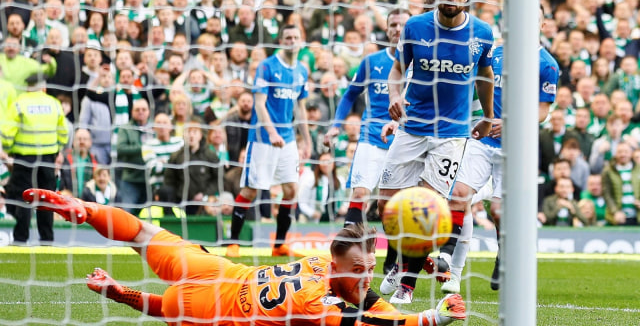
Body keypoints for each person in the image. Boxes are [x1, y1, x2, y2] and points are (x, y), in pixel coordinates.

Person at [23, 188, 466, 326]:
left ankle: (84, 210)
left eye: (370, 269)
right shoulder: (316, 306)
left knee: (143, 233)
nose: (367, 278)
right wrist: (432, 318)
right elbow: (372, 321)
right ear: (335, 267)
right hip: (211, 309)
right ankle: (84, 211)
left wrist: (122, 295)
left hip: (218, 273)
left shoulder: (320, 269)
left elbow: (368, 300)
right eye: (361, 270)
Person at [378, 0, 495, 304]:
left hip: (451, 134)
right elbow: (398, 69)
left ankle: (406, 284)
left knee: (426, 207)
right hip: (412, 127)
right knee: (386, 205)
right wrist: (394, 97)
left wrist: (487, 116)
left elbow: (485, 75)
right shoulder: (415, 27)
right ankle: (402, 263)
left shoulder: (482, 33)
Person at [439, 6, 559, 294]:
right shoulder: (496, 53)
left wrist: (511, 122)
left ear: (542, 24)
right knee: (458, 194)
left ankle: (504, 254)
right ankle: (445, 259)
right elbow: (477, 87)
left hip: (516, 148)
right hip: (483, 140)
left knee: (500, 211)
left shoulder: (547, 64)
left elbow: (542, 112)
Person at [225, 25, 312, 258]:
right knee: (251, 190)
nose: (292, 41)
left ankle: (279, 244)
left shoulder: (301, 71)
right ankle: (233, 243)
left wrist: (307, 139)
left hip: (288, 139)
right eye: (288, 37)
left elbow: (301, 108)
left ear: (301, 42)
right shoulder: (267, 66)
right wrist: (271, 132)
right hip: (263, 138)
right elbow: (259, 103)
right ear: (281, 41)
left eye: (296, 37)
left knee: (291, 189)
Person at [322, 8, 411, 229]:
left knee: (395, 204)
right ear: (386, 28)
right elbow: (350, 94)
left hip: (406, 141)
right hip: (372, 137)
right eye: (393, 25)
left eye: (402, 25)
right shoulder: (372, 62)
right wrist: (336, 126)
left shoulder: (421, 64)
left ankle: (396, 259)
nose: (397, 29)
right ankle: (347, 250)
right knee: (360, 192)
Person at [1, 75, 68, 244]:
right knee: (47, 200)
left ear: (27, 86)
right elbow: (63, 133)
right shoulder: (54, 103)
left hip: (24, 160)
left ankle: (20, 239)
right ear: (43, 86)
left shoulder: (19, 103)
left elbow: (7, 133)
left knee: (23, 199)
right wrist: (57, 149)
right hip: (47, 159)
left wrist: (9, 150)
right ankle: (47, 239)